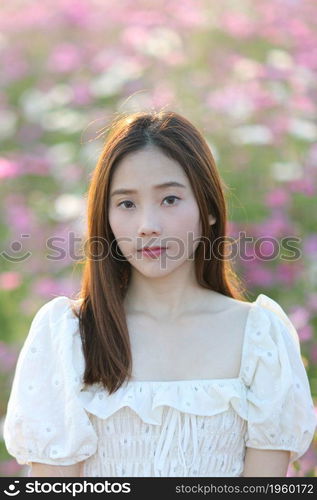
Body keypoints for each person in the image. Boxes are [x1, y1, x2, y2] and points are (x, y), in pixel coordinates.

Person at [3, 110, 317, 478]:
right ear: (105, 217)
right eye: (126, 204)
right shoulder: (69, 336)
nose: (148, 226)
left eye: (169, 199)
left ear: (209, 208)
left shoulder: (261, 336)